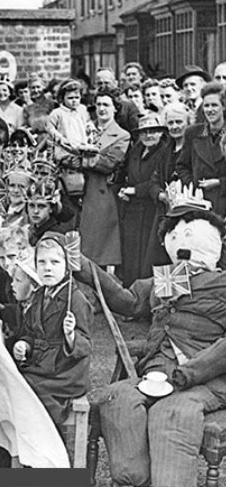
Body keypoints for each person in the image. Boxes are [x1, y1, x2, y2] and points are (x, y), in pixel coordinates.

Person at [75, 188, 226, 487]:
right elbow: (127, 300)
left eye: (192, 235)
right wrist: (82, 265)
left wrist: (190, 372)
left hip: (205, 380)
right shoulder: (164, 280)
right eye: (176, 235)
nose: (183, 243)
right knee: (115, 399)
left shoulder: (223, 284)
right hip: (158, 375)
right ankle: (136, 480)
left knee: (172, 414)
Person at [13, 231, 92, 426]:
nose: (47, 268)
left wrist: (70, 335)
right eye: (42, 262)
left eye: (55, 262)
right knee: (11, 377)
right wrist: (25, 345)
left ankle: (48, 433)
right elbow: (31, 332)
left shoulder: (76, 300)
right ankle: (31, 435)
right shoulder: (39, 294)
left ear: (67, 267)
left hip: (65, 371)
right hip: (43, 364)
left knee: (22, 386)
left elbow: (86, 345)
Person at [79, 87, 130, 269]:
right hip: (78, 189)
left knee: (101, 246)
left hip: (102, 193)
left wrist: (86, 159)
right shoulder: (84, 129)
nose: (102, 109)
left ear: (115, 108)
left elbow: (110, 163)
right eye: (99, 104)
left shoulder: (122, 135)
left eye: (106, 105)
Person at [118, 113, 170, 286]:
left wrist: (136, 190)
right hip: (133, 209)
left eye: (153, 131)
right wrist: (124, 190)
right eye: (144, 132)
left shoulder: (165, 151)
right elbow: (127, 173)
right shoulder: (136, 150)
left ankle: (149, 300)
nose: (148, 135)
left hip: (152, 208)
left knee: (149, 255)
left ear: (161, 132)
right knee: (131, 254)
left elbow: (159, 180)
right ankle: (131, 296)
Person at [145, 103, 192, 273]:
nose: (175, 127)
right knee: (161, 258)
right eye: (171, 123)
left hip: (187, 212)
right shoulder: (166, 150)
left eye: (179, 122)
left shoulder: (193, 148)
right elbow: (154, 181)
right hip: (165, 212)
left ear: (188, 123)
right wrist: (160, 195)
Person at [176, 82, 226, 217]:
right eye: (206, 105)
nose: (210, 110)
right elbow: (182, 166)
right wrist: (193, 186)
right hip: (200, 202)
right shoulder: (193, 133)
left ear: (224, 107)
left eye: (214, 105)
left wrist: (219, 182)